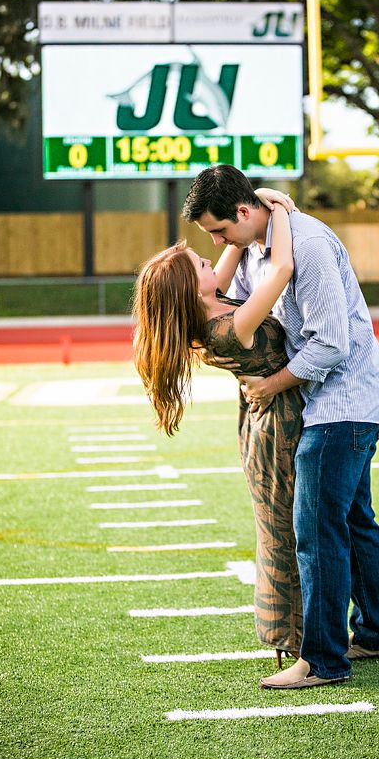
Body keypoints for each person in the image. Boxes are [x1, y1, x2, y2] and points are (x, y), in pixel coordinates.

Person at [182, 164, 379, 690]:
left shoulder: (307, 244)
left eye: (219, 231)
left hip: (340, 403)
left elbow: (331, 344)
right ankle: (377, 632)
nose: (217, 244)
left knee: (316, 533)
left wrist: (272, 384)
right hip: (331, 400)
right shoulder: (262, 242)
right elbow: (228, 292)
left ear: (241, 213)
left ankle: (324, 660)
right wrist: (271, 205)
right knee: (352, 519)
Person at [132, 189, 304, 667]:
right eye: (199, 264)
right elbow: (282, 271)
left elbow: (234, 249)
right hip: (277, 426)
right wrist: (281, 212)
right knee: (284, 533)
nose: (211, 259)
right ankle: (291, 637)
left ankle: (288, 634)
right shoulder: (229, 326)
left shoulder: (204, 314)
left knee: (278, 530)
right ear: (194, 288)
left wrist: (245, 219)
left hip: (262, 421)